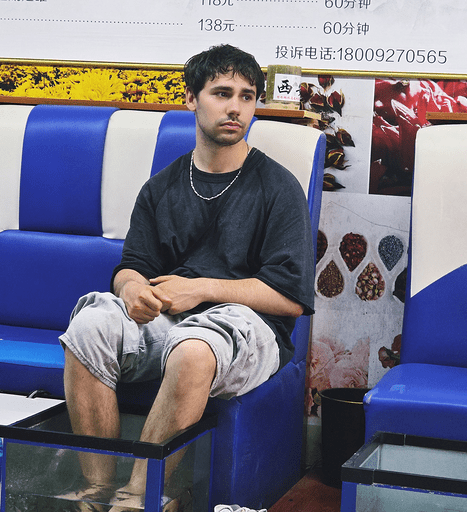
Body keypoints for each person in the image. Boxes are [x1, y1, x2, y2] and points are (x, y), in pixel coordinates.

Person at [59, 43, 315, 510]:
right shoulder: (162, 186)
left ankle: (138, 497)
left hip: (251, 326)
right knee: (90, 325)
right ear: (191, 98)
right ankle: (97, 489)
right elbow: (132, 265)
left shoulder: (279, 187)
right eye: (222, 93)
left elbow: (290, 298)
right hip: (170, 320)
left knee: (194, 349)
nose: (236, 107)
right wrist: (133, 289)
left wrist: (200, 289)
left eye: (247, 96)